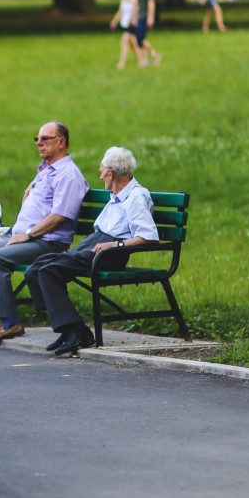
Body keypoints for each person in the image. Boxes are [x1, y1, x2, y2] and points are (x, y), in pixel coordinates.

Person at [0, 121, 90, 343]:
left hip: (47, 242)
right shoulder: (47, 170)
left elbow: (60, 216)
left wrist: (27, 235)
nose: (39, 143)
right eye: (37, 139)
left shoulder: (68, 174)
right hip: (29, 238)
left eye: (45, 139)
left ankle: (10, 323)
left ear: (61, 142)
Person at [24, 147, 158, 356]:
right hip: (95, 245)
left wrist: (114, 245)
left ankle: (77, 331)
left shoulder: (136, 196)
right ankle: (68, 328)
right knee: (36, 268)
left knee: (49, 270)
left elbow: (148, 236)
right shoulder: (117, 194)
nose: (100, 174)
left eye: (102, 170)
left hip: (109, 253)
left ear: (110, 173)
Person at [109, 0, 145, 69]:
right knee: (134, 45)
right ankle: (141, 62)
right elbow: (120, 11)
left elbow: (136, 11)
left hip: (131, 25)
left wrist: (132, 20)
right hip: (125, 24)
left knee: (124, 43)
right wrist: (114, 21)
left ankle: (121, 63)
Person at [135, 0, 161, 66]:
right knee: (141, 38)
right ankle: (145, 60)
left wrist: (151, 17)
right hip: (140, 16)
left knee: (139, 38)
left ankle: (154, 54)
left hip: (145, 16)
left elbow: (151, 2)